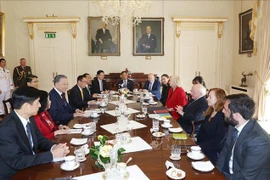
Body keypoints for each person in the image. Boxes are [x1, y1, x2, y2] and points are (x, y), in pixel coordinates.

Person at [0, 86, 69, 179]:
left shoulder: (30, 118)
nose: (40, 105)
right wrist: (51, 155)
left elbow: (39, 139)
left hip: (31, 166)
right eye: (37, 102)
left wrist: (54, 146)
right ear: (26, 106)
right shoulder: (6, 128)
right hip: (15, 174)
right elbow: (17, 161)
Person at [216, 94, 270, 180]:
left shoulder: (259, 141)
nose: (222, 111)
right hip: (230, 174)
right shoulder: (233, 125)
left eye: (225, 109)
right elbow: (224, 153)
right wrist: (216, 173)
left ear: (236, 115)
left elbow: (245, 177)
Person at [195, 88, 228, 164]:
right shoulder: (210, 112)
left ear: (219, 99)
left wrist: (199, 147)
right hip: (202, 146)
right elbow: (202, 131)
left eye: (210, 97)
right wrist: (195, 139)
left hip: (212, 152)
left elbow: (218, 141)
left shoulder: (222, 116)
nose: (207, 99)